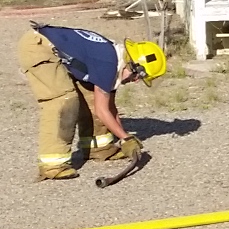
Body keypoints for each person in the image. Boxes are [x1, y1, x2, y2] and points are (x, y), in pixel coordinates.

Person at [19, 24, 161, 181]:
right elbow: (102, 111)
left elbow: (110, 108)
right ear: (133, 65)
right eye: (137, 77)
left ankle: (99, 148)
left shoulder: (116, 62)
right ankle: (52, 165)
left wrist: (124, 137)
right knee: (63, 99)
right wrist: (126, 139)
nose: (134, 82)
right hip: (38, 47)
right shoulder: (108, 64)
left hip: (50, 46)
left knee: (92, 95)